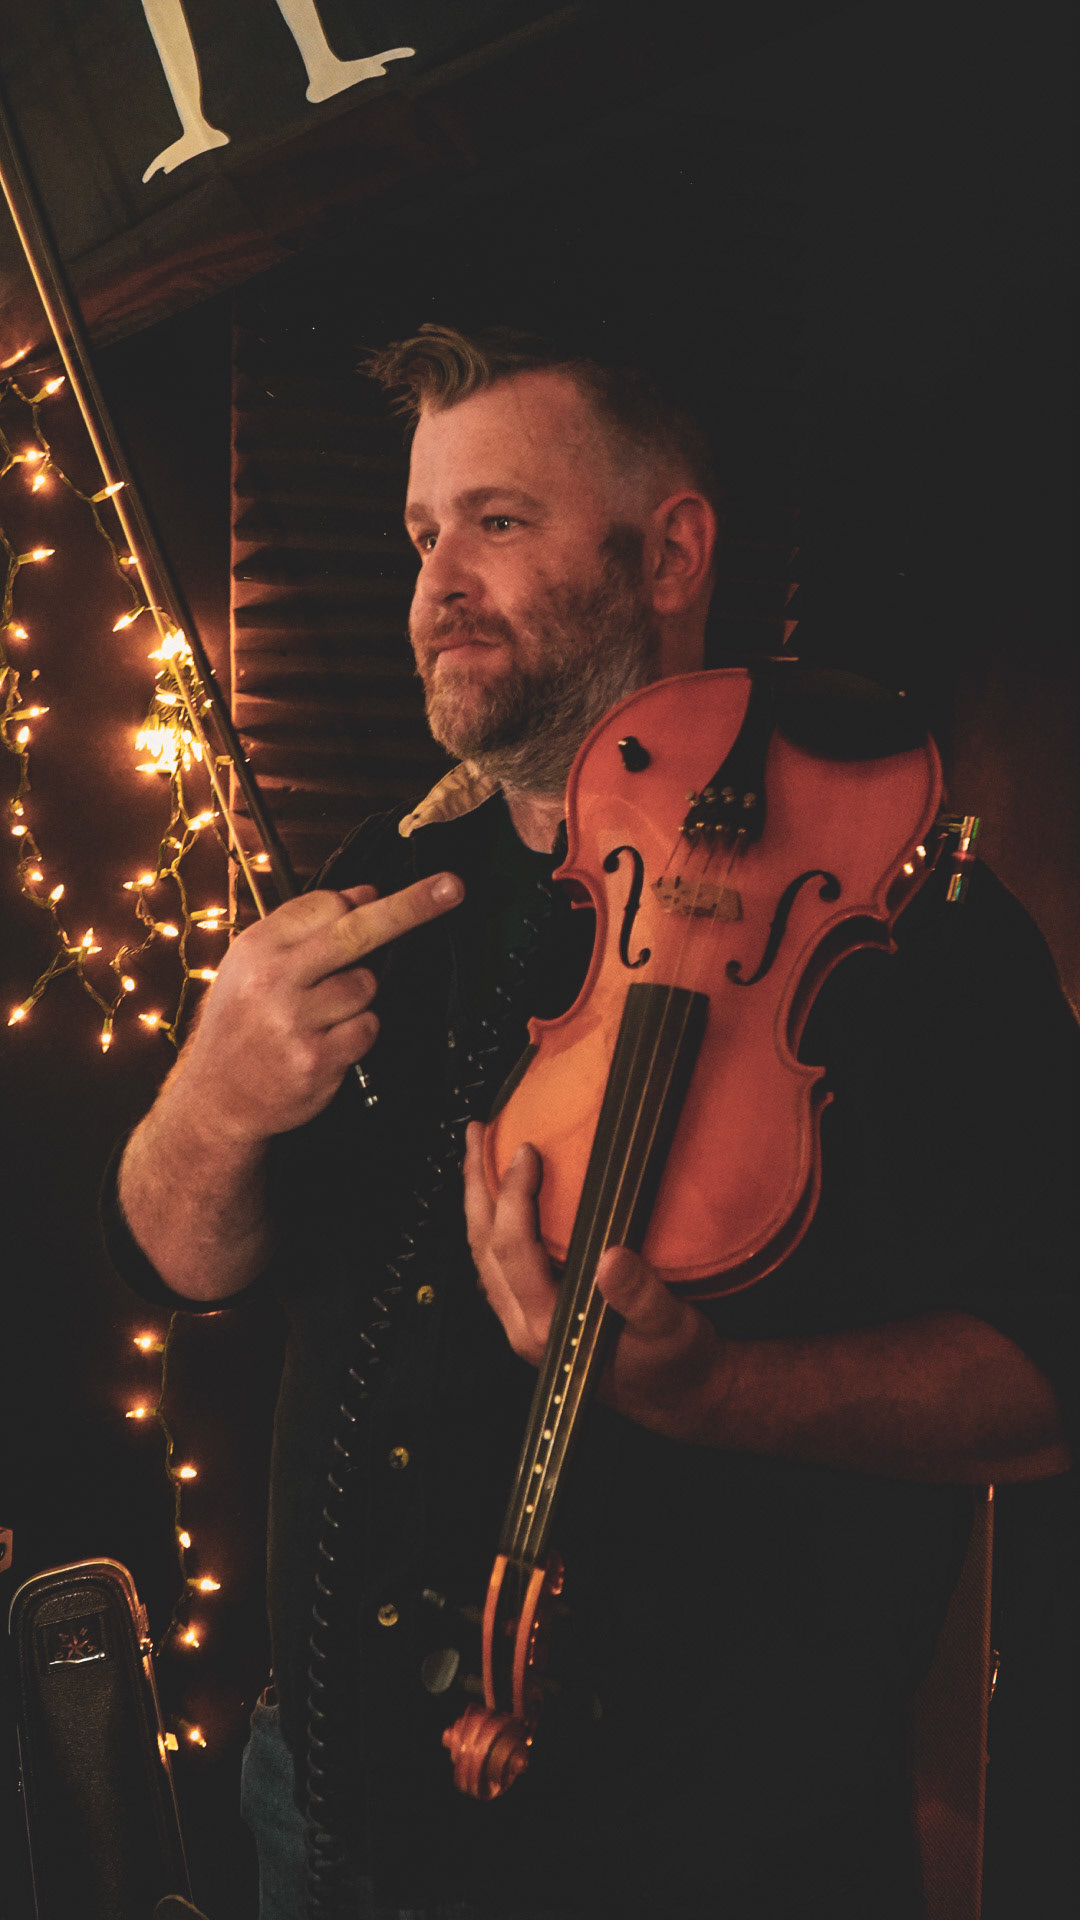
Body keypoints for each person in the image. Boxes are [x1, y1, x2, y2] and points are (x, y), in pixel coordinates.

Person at [106, 326, 1077, 1920]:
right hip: (324, 1801)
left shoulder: (904, 924)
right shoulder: (373, 883)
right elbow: (182, 1263)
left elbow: (1051, 1377)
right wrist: (207, 1100)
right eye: (422, 533)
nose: (438, 584)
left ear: (672, 553)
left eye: (498, 522)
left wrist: (725, 1393)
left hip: (702, 1858)